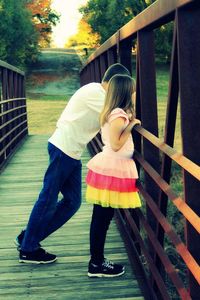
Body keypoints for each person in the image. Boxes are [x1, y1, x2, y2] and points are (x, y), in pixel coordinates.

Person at [15, 63, 131, 264]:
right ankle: (28, 248)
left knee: (72, 201)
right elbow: (118, 116)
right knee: (48, 198)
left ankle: (29, 237)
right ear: (115, 84)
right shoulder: (97, 94)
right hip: (63, 150)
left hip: (70, 151)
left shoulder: (95, 91)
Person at [85, 74, 142, 278]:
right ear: (126, 92)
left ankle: (97, 260)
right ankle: (96, 263)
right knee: (101, 218)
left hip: (110, 168)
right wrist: (132, 125)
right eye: (133, 91)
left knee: (101, 217)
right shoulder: (119, 116)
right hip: (112, 168)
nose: (135, 94)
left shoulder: (115, 112)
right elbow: (117, 145)